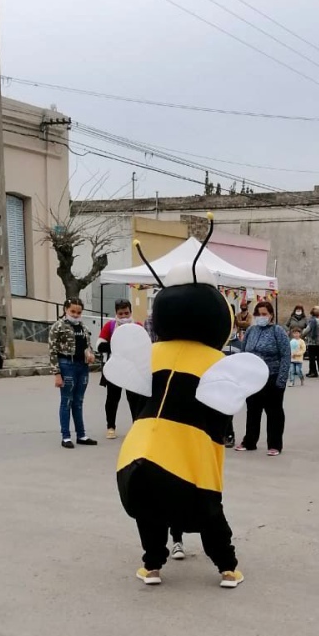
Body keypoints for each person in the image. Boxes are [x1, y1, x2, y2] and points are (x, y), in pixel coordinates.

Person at [103, 221, 268, 587]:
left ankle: (152, 566)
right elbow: (225, 411)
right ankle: (227, 568)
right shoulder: (217, 360)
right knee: (208, 509)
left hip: (138, 450)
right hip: (188, 451)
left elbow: (136, 394)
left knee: (149, 509)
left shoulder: (151, 352)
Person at [235, 301, 291, 456]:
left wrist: (282, 379)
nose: (261, 317)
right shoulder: (251, 331)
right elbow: (243, 353)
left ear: (271, 315)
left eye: (264, 314)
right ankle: (249, 441)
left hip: (272, 377)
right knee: (253, 410)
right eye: (258, 314)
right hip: (252, 378)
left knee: (274, 412)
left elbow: (286, 356)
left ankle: (274, 445)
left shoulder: (277, 331)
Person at [49, 298, 98, 449]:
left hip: (82, 366)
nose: (76, 315)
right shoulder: (58, 326)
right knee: (66, 401)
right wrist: (57, 373)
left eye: (79, 312)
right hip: (66, 365)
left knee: (78, 401)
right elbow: (52, 351)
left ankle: (81, 434)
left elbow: (87, 345)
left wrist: (91, 355)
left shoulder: (82, 326)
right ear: (65, 310)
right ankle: (66, 436)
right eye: (73, 311)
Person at [98, 299, 146, 440]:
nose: (124, 316)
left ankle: (136, 425)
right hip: (115, 369)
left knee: (135, 399)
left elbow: (144, 345)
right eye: (121, 314)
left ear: (131, 312)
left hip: (132, 368)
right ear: (116, 313)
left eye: (126, 313)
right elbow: (100, 345)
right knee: (112, 398)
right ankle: (110, 426)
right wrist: (117, 346)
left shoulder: (137, 326)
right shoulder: (110, 326)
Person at [303, 307, 319, 377]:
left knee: (311, 358)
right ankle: (315, 371)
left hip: (311, 341)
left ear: (312, 314)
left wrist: (303, 332)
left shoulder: (312, 321)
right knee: (318, 357)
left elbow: (307, 330)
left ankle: (313, 372)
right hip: (318, 341)